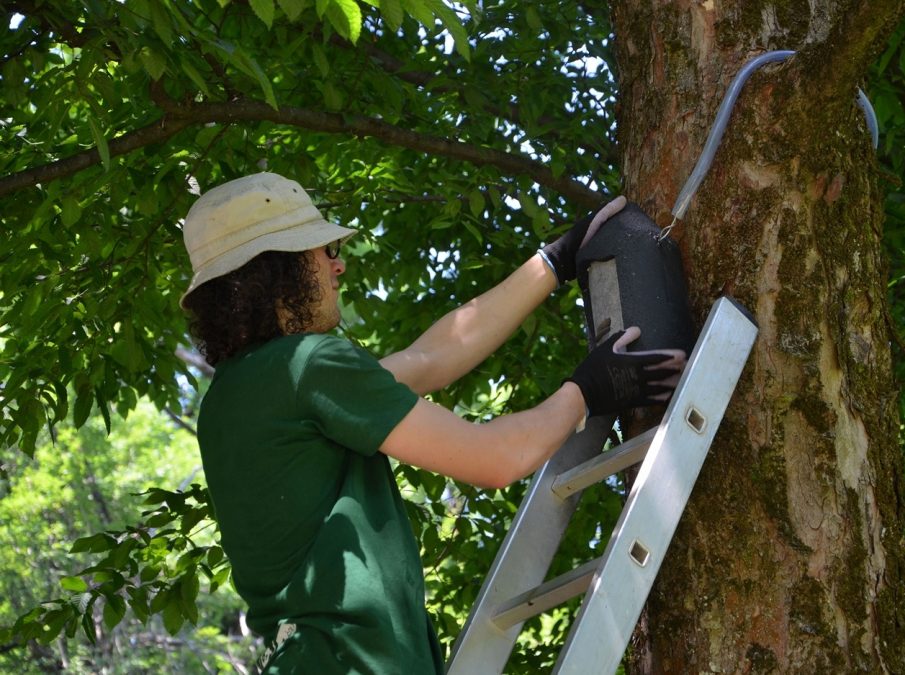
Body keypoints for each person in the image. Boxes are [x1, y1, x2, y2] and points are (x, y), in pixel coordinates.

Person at [179, 172, 686, 673]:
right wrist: (587, 392)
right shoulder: (309, 366)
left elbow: (430, 358)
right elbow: (495, 459)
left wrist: (554, 261)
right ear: (278, 270)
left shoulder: (235, 397)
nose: (339, 267)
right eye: (322, 252)